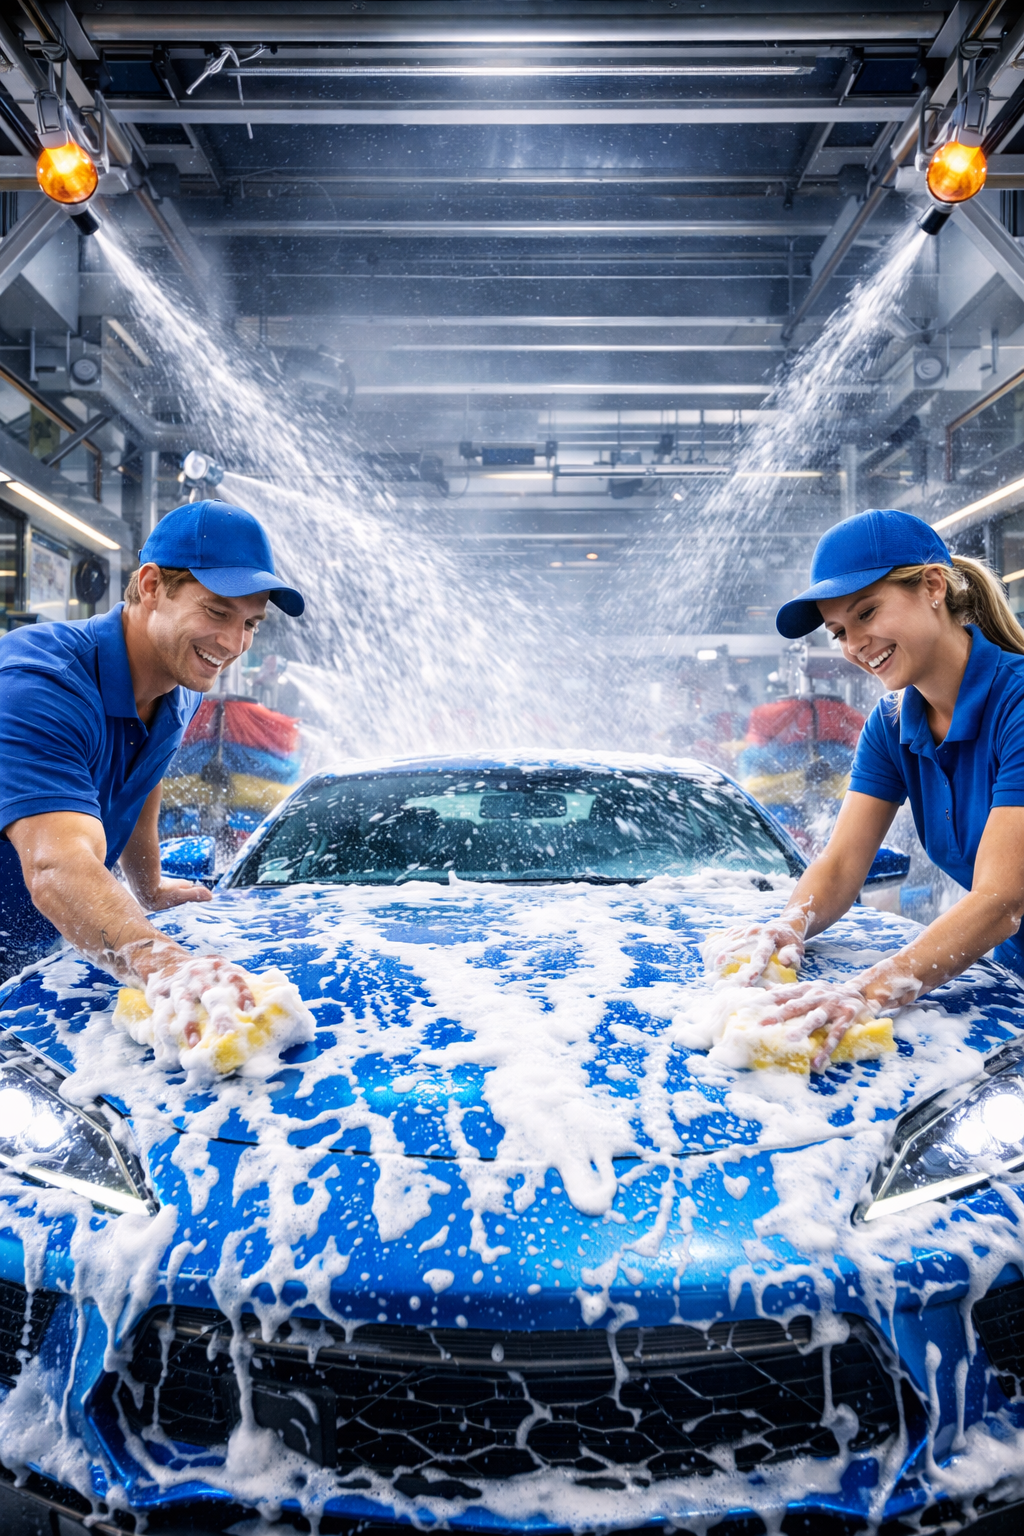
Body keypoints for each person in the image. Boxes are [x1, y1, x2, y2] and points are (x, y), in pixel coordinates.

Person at [710, 508, 1024, 1038]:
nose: (855, 644)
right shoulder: (894, 722)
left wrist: (864, 992)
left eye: (868, 612)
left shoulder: (1016, 703)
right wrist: (791, 925)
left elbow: (1002, 898)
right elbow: (840, 864)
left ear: (932, 586)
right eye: (838, 632)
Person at [0, 501, 304, 1015]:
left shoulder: (180, 687)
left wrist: (149, 884)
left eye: (251, 623)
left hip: (41, 949)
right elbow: (57, 863)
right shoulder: (37, 684)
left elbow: (144, 776)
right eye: (216, 611)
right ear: (150, 586)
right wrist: (160, 961)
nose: (234, 643)